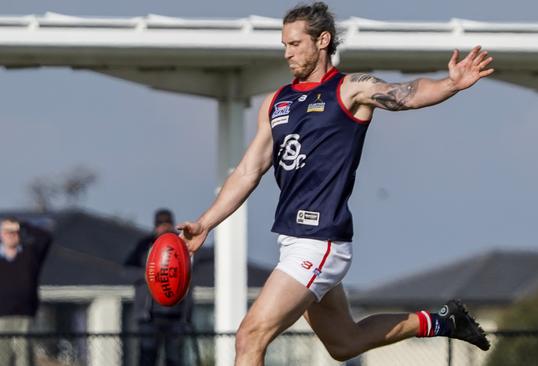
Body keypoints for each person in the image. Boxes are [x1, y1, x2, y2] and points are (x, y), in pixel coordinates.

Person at [177, 2, 494, 365]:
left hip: (320, 241)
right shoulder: (276, 102)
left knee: (250, 336)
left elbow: (406, 93)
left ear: (323, 40)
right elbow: (248, 170)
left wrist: (451, 83)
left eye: (295, 44)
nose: (287, 53)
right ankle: (441, 321)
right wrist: (205, 223)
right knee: (344, 343)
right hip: (292, 240)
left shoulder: (349, 89)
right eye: (284, 45)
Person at [124, 209, 193, 366]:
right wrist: (151, 274)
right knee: (147, 357)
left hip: (176, 316)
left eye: (168, 224)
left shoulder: (181, 245)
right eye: (161, 224)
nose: (164, 228)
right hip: (150, 316)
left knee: (174, 359)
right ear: (155, 226)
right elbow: (127, 271)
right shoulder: (144, 246)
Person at [0, 217, 52, 366]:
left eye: (14, 232)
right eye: (7, 232)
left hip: (25, 317)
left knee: (24, 358)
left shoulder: (30, 255)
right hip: (1, 318)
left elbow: (45, 238)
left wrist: (22, 225)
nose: (11, 235)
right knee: (2, 358)